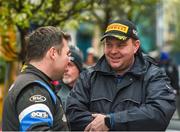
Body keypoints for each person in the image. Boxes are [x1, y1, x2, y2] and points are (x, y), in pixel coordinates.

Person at [66, 19, 176, 131]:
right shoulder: (88, 77)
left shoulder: (153, 76)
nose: (113, 51)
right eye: (109, 45)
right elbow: (73, 114)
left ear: (136, 46)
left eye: (120, 45)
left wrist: (111, 121)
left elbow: (159, 114)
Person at [2, 26, 71, 131]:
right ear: (53, 53)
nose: (69, 60)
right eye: (67, 54)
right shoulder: (34, 89)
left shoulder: (31, 82)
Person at [56, 45, 83, 110]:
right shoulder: (55, 91)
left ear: (79, 69)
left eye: (70, 65)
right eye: (64, 64)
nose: (66, 69)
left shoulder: (88, 90)